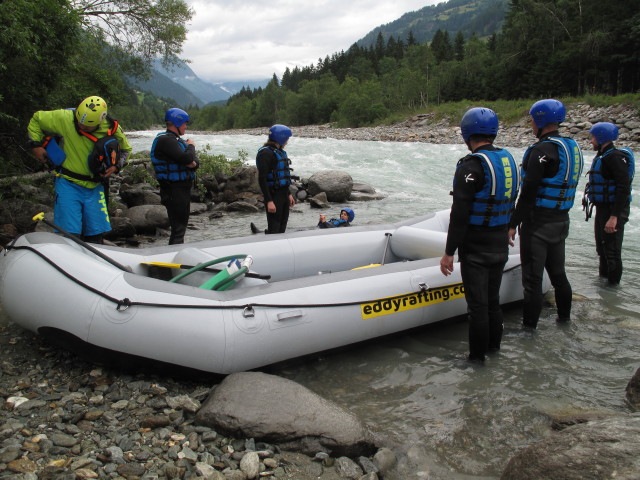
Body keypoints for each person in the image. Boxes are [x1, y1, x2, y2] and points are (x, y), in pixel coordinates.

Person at [440, 107, 519, 363]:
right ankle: (494, 349)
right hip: (500, 243)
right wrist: (511, 225)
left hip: (476, 247)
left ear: (466, 133)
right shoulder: (507, 160)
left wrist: (449, 252)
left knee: (477, 307)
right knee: (493, 302)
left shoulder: (471, 165)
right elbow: (514, 199)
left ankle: (476, 361)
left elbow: (459, 214)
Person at [508, 99, 584, 328]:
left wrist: (512, 224)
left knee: (532, 281)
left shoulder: (541, 150)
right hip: (561, 221)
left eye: (532, 120)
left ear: (540, 120)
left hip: (538, 224)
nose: (531, 124)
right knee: (559, 275)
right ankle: (564, 320)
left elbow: (528, 192)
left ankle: (529, 329)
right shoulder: (571, 146)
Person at [27, 95, 131, 244]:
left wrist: (116, 166)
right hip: (68, 183)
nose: (81, 126)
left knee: (95, 236)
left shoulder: (111, 127)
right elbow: (36, 119)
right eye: (79, 122)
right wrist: (35, 145)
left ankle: (93, 264)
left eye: (87, 126)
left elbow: (126, 149)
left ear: (99, 122)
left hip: (95, 187)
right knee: (70, 235)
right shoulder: (64, 118)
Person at [583, 122, 634, 285]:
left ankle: (612, 291)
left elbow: (623, 188)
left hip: (614, 210)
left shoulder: (614, 157)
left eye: (593, 137)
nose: (591, 141)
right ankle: (603, 287)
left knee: (611, 252)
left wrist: (614, 217)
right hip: (604, 208)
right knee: (602, 250)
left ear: (602, 137)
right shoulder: (604, 155)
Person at [151, 108, 199, 245]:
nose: (186, 126)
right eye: (184, 123)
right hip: (173, 191)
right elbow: (188, 158)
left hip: (180, 190)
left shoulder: (175, 140)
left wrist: (191, 160)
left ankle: (174, 259)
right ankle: (173, 263)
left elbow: (194, 162)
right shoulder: (166, 141)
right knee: (178, 229)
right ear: (177, 123)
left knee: (180, 229)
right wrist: (191, 146)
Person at [256, 124, 295, 234]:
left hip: (283, 194)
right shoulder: (265, 153)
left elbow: (282, 176)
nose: (287, 141)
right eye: (287, 138)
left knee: (282, 228)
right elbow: (262, 179)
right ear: (281, 137)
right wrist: (269, 201)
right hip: (274, 195)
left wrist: (289, 194)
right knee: (274, 228)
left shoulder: (279, 152)